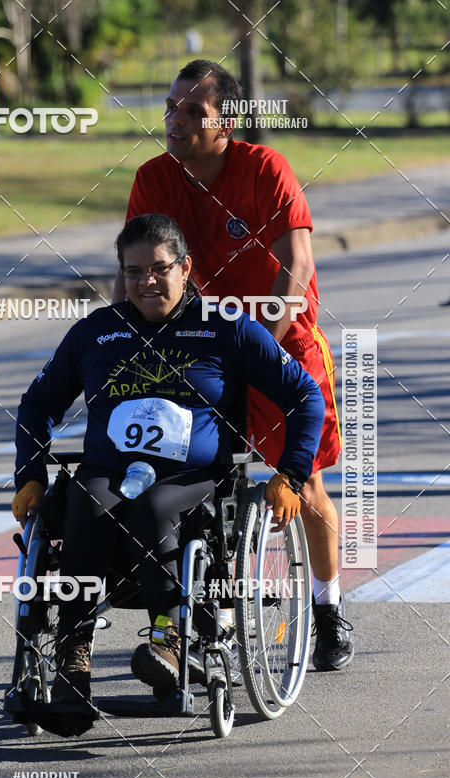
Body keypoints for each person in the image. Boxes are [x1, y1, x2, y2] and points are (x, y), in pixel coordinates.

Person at [13, 214, 325, 722]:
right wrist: (29, 475)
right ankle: (73, 658)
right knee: (84, 502)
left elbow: (304, 395)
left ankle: (171, 639)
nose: (146, 281)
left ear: (185, 268)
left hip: (192, 478)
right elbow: (37, 403)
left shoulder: (227, 326)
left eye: (159, 268)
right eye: (133, 271)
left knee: (155, 506)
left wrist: (290, 474)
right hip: (110, 471)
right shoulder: (96, 332)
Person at [113, 59, 353, 672]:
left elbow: (296, 266)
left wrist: (258, 351)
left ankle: (328, 608)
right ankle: (197, 618)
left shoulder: (264, 169)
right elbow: (135, 272)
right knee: (188, 472)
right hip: (199, 345)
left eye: (194, 111)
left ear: (227, 123)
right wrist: (119, 346)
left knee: (305, 482)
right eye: (171, 107)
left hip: (280, 338)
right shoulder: (154, 178)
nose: (176, 119)